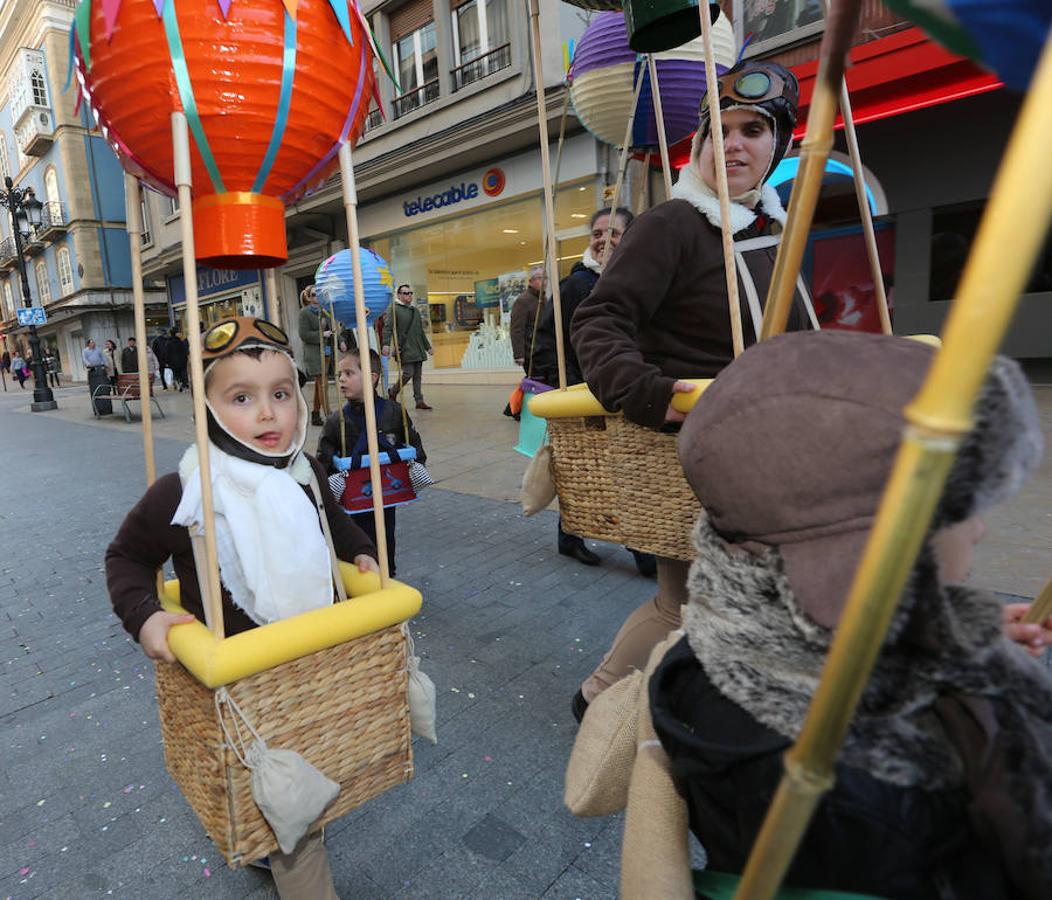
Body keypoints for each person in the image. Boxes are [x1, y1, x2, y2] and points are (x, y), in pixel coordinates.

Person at [643, 331, 1052, 898]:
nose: (981, 530)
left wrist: (954, 640)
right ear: (862, 557)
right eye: (959, 511)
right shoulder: (861, 786)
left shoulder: (731, 637)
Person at [570, 61, 813, 717]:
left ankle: (694, 707)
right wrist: (651, 393)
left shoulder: (773, 230)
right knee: (685, 604)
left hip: (772, 453)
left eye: (752, 130)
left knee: (727, 602)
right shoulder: (671, 224)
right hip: (697, 456)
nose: (732, 144)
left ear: (778, 144)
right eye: (719, 130)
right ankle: (603, 700)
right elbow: (598, 321)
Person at [105, 317, 379, 899]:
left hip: (313, 668)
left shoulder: (307, 473)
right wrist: (146, 616)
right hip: (242, 689)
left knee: (304, 781)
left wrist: (361, 553)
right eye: (241, 399)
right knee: (296, 820)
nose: (268, 415)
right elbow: (125, 557)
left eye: (281, 394)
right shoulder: (186, 490)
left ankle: (272, 840)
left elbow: (334, 523)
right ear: (206, 408)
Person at [317, 348, 426, 578]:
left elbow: (416, 449)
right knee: (357, 543)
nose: (342, 379)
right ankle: (365, 579)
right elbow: (322, 465)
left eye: (349, 373)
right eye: (339, 374)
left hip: (387, 497)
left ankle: (387, 576)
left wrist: (411, 470)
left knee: (385, 537)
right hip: (352, 504)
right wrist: (333, 485)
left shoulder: (394, 413)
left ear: (372, 377)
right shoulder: (336, 422)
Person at [382, 285, 432, 411]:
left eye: (410, 293)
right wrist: (386, 344)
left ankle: (419, 400)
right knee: (408, 373)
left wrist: (428, 347)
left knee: (417, 376)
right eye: (405, 293)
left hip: (418, 348)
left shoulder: (415, 310)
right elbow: (387, 328)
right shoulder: (394, 309)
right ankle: (393, 391)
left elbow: (420, 331)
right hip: (405, 348)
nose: (409, 295)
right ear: (399, 295)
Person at [298, 285, 335, 425]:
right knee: (323, 384)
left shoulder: (324, 311)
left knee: (319, 384)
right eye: (313, 294)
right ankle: (329, 415)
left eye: (318, 294)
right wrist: (322, 334)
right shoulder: (304, 313)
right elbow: (304, 334)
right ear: (308, 297)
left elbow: (332, 329)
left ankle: (315, 414)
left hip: (326, 352)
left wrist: (340, 341)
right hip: (313, 354)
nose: (317, 297)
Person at [509, 266, 547, 374]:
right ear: (531, 281)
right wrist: (519, 355)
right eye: (539, 278)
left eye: (545, 278)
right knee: (537, 380)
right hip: (531, 351)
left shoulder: (544, 299)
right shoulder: (523, 301)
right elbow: (517, 329)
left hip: (544, 350)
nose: (544, 281)